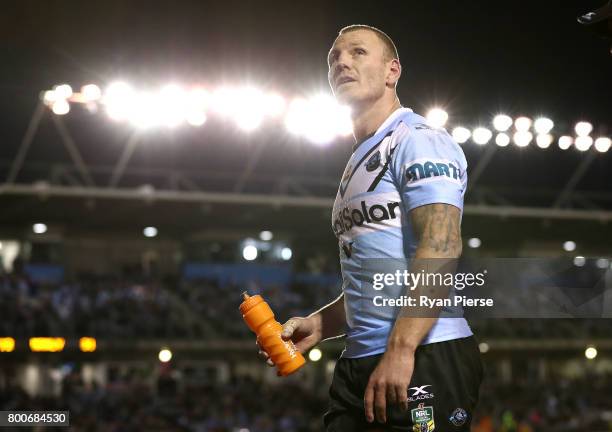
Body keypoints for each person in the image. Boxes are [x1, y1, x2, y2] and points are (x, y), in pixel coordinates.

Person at [259, 24, 482, 431]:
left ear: (392, 71)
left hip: (424, 352)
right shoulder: (359, 160)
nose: (342, 62)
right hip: (359, 358)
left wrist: (401, 348)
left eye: (358, 52)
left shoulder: (417, 139)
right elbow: (376, 277)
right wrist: (322, 324)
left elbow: (442, 243)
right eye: (334, 58)